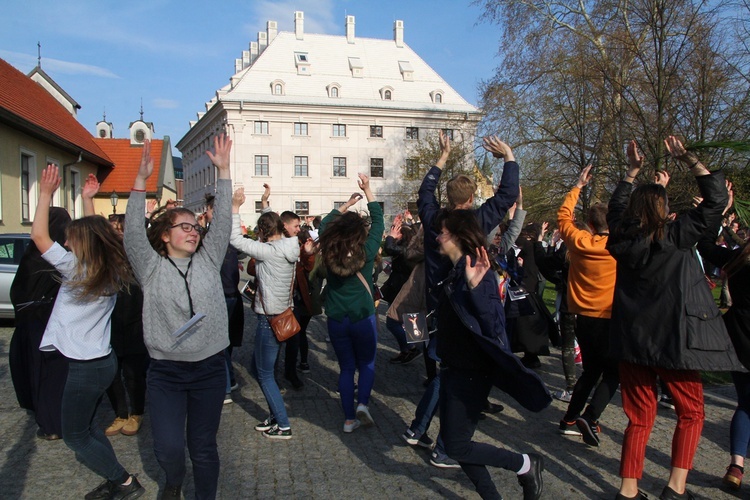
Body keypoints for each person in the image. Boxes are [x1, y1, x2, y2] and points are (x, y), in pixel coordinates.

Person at [607, 137, 742, 500]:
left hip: (633, 338)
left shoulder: (622, 239)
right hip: (674, 338)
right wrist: (689, 160)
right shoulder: (676, 235)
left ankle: (628, 490)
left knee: (639, 417)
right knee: (692, 412)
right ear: (665, 209)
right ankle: (676, 487)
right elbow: (714, 203)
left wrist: (631, 173)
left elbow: (615, 211)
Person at [124, 136, 232, 500]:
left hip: (210, 369)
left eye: (195, 227)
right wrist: (140, 182)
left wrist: (224, 171)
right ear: (166, 235)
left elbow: (223, 224)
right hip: (167, 372)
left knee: (203, 446)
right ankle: (173, 478)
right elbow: (133, 236)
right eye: (184, 227)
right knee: (169, 448)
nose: (193, 231)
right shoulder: (151, 267)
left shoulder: (209, 259)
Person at [31, 164, 144, 499]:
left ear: (83, 243)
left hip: (85, 366)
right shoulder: (108, 267)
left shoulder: (76, 269)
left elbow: (39, 236)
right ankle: (115, 479)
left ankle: (123, 482)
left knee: (75, 436)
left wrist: (46, 194)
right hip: (99, 362)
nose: (65, 241)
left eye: (70, 237)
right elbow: (97, 234)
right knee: (87, 427)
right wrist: (87, 200)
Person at [434, 209, 549, 500]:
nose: (437, 237)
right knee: (452, 440)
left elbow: (495, 325)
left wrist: (475, 289)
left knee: (457, 445)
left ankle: (524, 463)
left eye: (443, 233)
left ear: (457, 237)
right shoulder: (455, 270)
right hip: (452, 367)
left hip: (471, 372)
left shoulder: (478, 273)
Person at [229, 188, 301, 439]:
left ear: (261, 232)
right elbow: (271, 223)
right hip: (280, 314)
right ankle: (274, 415)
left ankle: (283, 425)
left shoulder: (269, 252)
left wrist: (235, 207)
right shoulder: (287, 245)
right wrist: (264, 203)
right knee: (259, 366)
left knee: (265, 373)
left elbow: (236, 241)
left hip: (269, 319)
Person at [555, 164, 619, 446]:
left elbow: (563, 216)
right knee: (613, 372)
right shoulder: (619, 246)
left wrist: (578, 185)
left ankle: (569, 418)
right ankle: (590, 416)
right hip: (609, 317)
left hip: (582, 316)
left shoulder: (578, 240)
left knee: (591, 370)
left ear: (590, 225)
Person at [81, 177, 149, 438]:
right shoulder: (105, 256)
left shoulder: (137, 255)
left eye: (121, 228)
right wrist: (87, 199)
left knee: (133, 373)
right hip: (108, 321)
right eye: (114, 229)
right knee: (111, 372)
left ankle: (137, 412)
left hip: (134, 321)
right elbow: (91, 232)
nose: (117, 232)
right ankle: (120, 413)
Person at [318, 173, 384, 432]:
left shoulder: (329, 248)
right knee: (367, 363)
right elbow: (378, 220)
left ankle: (348, 420)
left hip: (336, 318)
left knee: (346, 368)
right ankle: (363, 404)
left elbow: (325, 224)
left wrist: (344, 206)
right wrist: (368, 190)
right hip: (363, 316)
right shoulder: (367, 252)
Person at [696, 185, 750, 491]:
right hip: (740, 335)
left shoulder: (737, 259)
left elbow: (704, 244)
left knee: (745, 404)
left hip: (740, 336)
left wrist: (720, 211)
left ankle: (736, 465)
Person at [9, 206, 71, 441]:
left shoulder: (34, 256)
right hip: (52, 327)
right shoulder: (60, 258)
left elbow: (18, 293)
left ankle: (49, 424)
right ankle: (57, 423)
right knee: (54, 377)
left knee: (40, 376)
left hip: (32, 327)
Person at [202, 193, 245, 405]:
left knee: (219, 342)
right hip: (229, 292)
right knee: (225, 341)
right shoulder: (222, 233)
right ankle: (230, 378)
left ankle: (225, 386)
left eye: (208, 210)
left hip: (222, 294)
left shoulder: (217, 235)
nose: (205, 213)